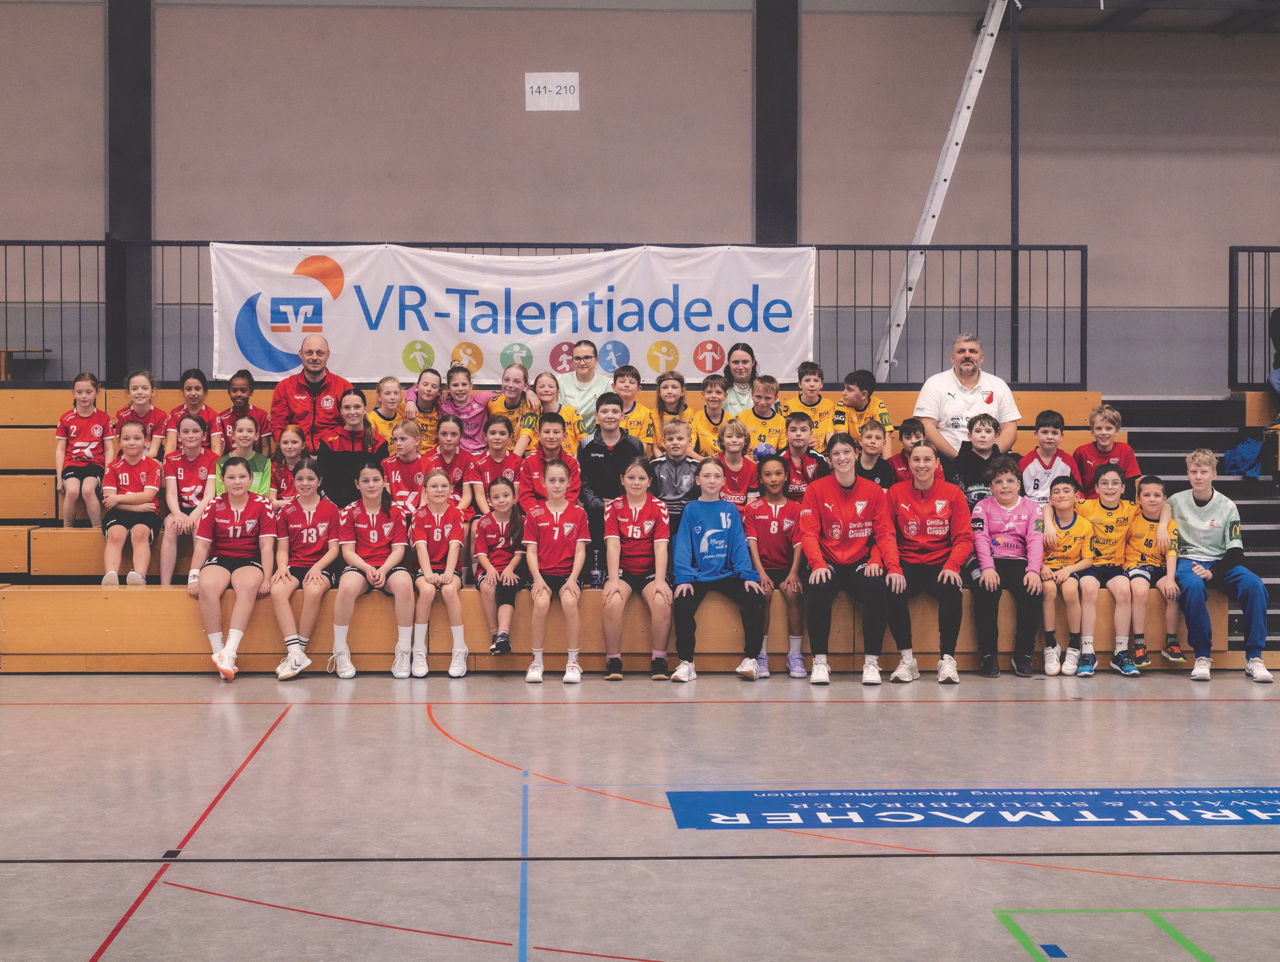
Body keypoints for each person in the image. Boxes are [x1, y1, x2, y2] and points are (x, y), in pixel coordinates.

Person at [798, 432, 900, 686]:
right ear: (830, 460)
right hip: (827, 559)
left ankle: (871, 663)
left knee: (877, 588)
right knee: (818, 587)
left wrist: (882, 562)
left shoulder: (874, 491)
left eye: (846, 452)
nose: (842, 457)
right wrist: (818, 564)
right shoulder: (816, 489)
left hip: (859, 560)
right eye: (835, 454)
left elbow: (884, 533)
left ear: (855, 454)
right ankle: (820, 661)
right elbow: (808, 533)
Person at [1169, 449, 1272, 683]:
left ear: (1214, 474)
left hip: (1220, 561)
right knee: (1193, 586)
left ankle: (1254, 658)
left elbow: (1236, 553)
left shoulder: (1227, 506)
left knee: (1254, 584)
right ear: (1187, 474)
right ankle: (1202, 656)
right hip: (1188, 560)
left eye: (1204, 471)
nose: (1198, 477)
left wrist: (1213, 572)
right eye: (1194, 472)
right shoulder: (1175, 502)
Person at [671, 459, 767, 682]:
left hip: (727, 574)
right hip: (698, 575)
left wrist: (746, 575)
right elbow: (684, 545)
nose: (712, 480)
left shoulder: (730, 509)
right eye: (706, 476)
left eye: (716, 476)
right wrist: (684, 577)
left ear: (724, 481)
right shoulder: (691, 510)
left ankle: (751, 659)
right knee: (682, 602)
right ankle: (687, 662)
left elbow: (738, 543)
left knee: (755, 597)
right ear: (697, 480)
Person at [884, 441, 973, 684]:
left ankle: (947, 660)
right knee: (891, 589)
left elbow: (964, 537)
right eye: (916, 460)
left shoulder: (953, 493)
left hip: (942, 561)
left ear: (936, 463)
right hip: (908, 561)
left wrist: (953, 565)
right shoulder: (895, 493)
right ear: (909, 464)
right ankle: (907, 661)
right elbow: (887, 535)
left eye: (926, 460)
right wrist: (893, 568)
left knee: (952, 590)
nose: (921, 465)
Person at [188, 457, 276, 681]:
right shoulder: (214, 505)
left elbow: (266, 545)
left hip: (249, 558)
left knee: (248, 587)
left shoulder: (262, 504)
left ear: (251, 479)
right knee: (206, 586)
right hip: (221, 558)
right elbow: (203, 546)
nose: (237, 482)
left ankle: (230, 652)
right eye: (231, 477)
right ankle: (219, 652)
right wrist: (193, 576)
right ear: (222, 480)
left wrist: (267, 578)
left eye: (242, 477)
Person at [330, 460, 415, 680]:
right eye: (365, 481)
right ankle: (340, 650)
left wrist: (384, 569)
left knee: (405, 584)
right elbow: (347, 552)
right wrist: (367, 568)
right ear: (357, 484)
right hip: (360, 564)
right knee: (346, 588)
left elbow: (398, 550)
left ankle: (404, 651)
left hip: (389, 564)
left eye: (376, 480)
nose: (371, 485)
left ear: (385, 482)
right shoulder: (349, 511)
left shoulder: (396, 511)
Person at [971, 455, 1043, 678]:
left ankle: (1022, 655)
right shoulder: (981, 507)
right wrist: (988, 568)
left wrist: (1033, 570)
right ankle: (988, 655)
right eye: (999, 481)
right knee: (985, 590)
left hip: (1018, 560)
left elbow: (1035, 539)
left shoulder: (1033, 508)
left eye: (1010, 481)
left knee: (1033, 592)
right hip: (987, 560)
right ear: (991, 486)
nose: (1005, 486)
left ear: (1019, 485)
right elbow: (980, 538)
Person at [269, 457, 341, 680]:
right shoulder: (287, 511)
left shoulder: (331, 509)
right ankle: (295, 653)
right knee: (277, 590)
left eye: (310, 479)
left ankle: (297, 653)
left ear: (319, 481)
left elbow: (333, 549)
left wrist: (318, 567)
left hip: (321, 565)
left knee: (313, 590)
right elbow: (282, 548)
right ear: (294, 481)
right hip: (295, 564)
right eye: (300, 479)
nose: (305, 483)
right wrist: (282, 567)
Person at [601, 458, 673, 681]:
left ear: (649, 481)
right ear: (622, 480)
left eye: (642, 478)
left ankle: (659, 659)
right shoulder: (613, 506)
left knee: (662, 601)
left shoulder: (659, 507)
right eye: (631, 477)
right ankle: (613, 659)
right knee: (612, 601)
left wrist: (660, 580)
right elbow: (613, 544)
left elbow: (660, 546)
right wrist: (613, 580)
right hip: (622, 569)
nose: (636, 482)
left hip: (650, 570)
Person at [522, 460, 590, 684]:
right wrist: (538, 579)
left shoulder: (579, 514)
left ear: (570, 483)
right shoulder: (534, 513)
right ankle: (536, 661)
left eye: (562, 480)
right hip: (542, 574)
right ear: (543, 483)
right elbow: (531, 552)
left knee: (570, 602)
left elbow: (580, 551)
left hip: (567, 575)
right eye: (552, 480)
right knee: (540, 603)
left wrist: (572, 579)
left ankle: (573, 661)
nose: (557, 485)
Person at [913, 333, 1020, 461]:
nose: (967, 355)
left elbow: (1010, 429)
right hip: (948, 460)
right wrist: (957, 459)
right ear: (953, 358)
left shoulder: (998, 385)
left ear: (981, 358)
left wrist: (991, 458)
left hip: (992, 462)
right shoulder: (934, 384)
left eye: (973, 351)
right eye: (961, 351)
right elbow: (927, 425)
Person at [1074, 464, 1138, 677]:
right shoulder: (1085, 506)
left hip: (1115, 567)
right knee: (1088, 588)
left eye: (1115, 484)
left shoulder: (1130, 508)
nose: (1109, 488)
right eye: (1104, 484)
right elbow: (1051, 506)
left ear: (1122, 488)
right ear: (1096, 488)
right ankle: (1087, 651)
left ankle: (1121, 652)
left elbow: (1164, 506)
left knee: (1124, 591)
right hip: (1090, 565)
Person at [744, 455, 805, 678]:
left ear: (786, 476)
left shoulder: (796, 509)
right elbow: (752, 543)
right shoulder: (753, 509)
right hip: (762, 567)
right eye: (768, 474)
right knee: (764, 594)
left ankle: (795, 656)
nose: (773, 479)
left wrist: (794, 573)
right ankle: (761, 656)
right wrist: (760, 573)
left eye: (778, 473)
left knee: (793, 592)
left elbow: (799, 544)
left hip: (787, 567)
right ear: (760, 478)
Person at [412, 469, 468, 678]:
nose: (439, 490)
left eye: (444, 486)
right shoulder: (419, 515)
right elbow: (421, 548)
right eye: (433, 486)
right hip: (426, 567)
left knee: (449, 592)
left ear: (451, 490)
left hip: (449, 568)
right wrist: (428, 574)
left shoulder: (455, 513)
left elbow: (454, 547)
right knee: (426, 591)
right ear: (425, 491)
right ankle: (418, 651)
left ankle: (459, 649)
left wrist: (448, 573)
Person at [1038, 475, 1094, 677]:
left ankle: (1073, 646)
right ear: (1050, 499)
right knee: (1048, 590)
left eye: (1066, 491)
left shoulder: (1086, 525)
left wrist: (1069, 570)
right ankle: (1050, 645)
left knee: (1070, 590)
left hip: (1069, 568)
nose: (1061, 494)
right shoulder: (1042, 522)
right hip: (1046, 568)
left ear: (1077, 497)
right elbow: (1032, 548)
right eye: (1056, 492)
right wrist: (1041, 565)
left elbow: (1088, 559)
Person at [1124, 475, 1182, 671]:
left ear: (1164, 498)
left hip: (1160, 567)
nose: (1152, 499)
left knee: (1172, 593)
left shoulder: (1169, 525)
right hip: (1136, 565)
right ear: (1139, 499)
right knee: (1139, 590)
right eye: (1146, 495)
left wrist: (1171, 579)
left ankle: (1170, 642)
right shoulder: (1133, 517)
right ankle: (1139, 644)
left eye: (1157, 495)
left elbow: (1171, 553)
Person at [100, 421, 164, 587]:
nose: (132, 442)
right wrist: (136, 506)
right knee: (115, 534)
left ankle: (140, 577)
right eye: (126, 438)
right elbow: (109, 499)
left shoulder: (152, 465)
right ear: (119, 441)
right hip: (120, 512)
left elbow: (148, 496)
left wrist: (119, 498)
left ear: (145, 441)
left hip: (147, 512)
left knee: (140, 533)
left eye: (137, 438)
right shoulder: (113, 466)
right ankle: (111, 576)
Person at [160, 413, 218, 585]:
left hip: (202, 509)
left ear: (204, 435)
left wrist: (194, 516)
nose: (190, 435)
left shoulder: (213, 458)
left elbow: (209, 495)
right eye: (185, 431)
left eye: (195, 431)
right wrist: (177, 514)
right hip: (179, 509)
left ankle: (196, 580)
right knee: (171, 525)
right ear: (178, 436)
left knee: (199, 525)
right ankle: (164, 585)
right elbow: (170, 494)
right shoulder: (171, 459)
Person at [268, 334, 354, 448]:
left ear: (327, 355)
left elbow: (352, 424)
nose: (314, 357)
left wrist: (333, 448)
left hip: (333, 452)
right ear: (301, 354)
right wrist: (291, 448)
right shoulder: (284, 387)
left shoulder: (343, 387)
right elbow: (278, 426)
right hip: (296, 453)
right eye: (309, 352)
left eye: (320, 353)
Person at [473, 477, 524, 657]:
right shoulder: (484, 522)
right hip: (489, 567)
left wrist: (509, 569)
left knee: (507, 583)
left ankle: (504, 634)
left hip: (512, 567)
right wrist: (490, 569)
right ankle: (495, 635)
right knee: (487, 586)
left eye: (505, 495)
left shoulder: (520, 521)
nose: (501, 500)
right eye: (496, 497)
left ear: (514, 497)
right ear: (489, 500)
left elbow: (520, 553)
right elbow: (481, 554)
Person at [55, 371, 113, 527]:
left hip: (95, 465)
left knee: (88, 490)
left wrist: (108, 476)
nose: (84, 396)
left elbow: (109, 450)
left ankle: (97, 528)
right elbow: (60, 449)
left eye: (89, 392)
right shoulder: (66, 418)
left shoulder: (103, 418)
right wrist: (60, 478)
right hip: (72, 464)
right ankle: (67, 529)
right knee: (72, 491)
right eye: (79, 392)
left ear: (97, 393)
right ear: (73, 393)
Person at [315, 389, 389, 510]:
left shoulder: (379, 443)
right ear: (341, 411)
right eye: (347, 407)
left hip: (368, 509)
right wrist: (333, 508)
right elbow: (321, 480)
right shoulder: (328, 442)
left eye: (357, 407)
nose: (352, 412)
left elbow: (381, 482)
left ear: (365, 409)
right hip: (335, 510)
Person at [441, 364, 519, 454]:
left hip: (484, 452)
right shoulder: (443, 403)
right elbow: (427, 393)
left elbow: (509, 392)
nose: (460, 389)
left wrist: (529, 391)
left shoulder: (481, 399)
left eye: (464, 384)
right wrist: (441, 390)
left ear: (471, 385)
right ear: (448, 387)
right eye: (455, 385)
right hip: (459, 454)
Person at [1073, 404, 1141, 500]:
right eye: (1099, 428)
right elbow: (1075, 485)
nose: (1104, 432)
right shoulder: (1081, 452)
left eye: (1109, 428)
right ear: (1092, 431)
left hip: (1117, 504)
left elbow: (1131, 484)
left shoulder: (1125, 450)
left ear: (1116, 431)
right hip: (1089, 505)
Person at [517, 412, 582, 512]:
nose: (551, 436)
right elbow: (526, 496)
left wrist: (558, 514)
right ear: (538, 435)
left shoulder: (572, 463)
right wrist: (539, 516)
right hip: (536, 515)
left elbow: (572, 495)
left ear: (565, 436)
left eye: (556, 432)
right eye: (546, 432)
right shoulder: (528, 462)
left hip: (563, 513)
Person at [516, 371, 586, 457]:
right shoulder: (533, 416)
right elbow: (529, 451)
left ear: (557, 391)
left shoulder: (572, 412)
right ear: (535, 391)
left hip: (573, 463)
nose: (546, 389)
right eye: (541, 387)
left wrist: (574, 460)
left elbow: (585, 442)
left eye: (551, 387)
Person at [1018, 409, 1079, 507]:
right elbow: (1018, 493)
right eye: (1044, 432)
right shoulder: (1025, 463)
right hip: (1031, 510)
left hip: (1060, 509)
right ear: (1036, 434)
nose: (1049, 437)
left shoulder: (1068, 461)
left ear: (1061, 436)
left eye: (1054, 433)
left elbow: (1078, 491)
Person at [651, 419, 699, 539]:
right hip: (661, 517)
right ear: (664, 443)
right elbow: (650, 498)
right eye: (670, 439)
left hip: (688, 517)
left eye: (680, 439)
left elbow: (699, 498)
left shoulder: (696, 467)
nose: (675, 443)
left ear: (689, 442)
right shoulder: (655, 465)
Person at [781, 361, 845, 451]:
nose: (812, 384)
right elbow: (785, 436)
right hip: (798, 451)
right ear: (799, 384)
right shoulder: (789, 406)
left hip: (823, 454)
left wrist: (831, 454)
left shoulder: (829, 405)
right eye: (807, 380)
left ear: (821, 384)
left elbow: (829, 434)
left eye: (816, 380)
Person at [424, 415, 477, 521]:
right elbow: (425, 494)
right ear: (437, 435)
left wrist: (453, 514)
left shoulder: (468, 459)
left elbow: (467, 495)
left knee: (464, 527)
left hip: (459, 505)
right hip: (434, 504)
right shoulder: (427, 458)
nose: (448, 439)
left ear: (460, 436)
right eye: (444, 434)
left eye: (454, 434)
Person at [557, 339, 614, 435]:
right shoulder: (560, 381)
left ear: (596, 360)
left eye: (587, 357)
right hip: (565, 438)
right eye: (577, 358)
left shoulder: (607, 384)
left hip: (595, 440)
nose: (582, 363)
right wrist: (530, 392)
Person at [469, 415, 522, 516]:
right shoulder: (476, 462)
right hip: (485, 512)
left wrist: (503, 516)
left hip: (510, 512)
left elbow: (515, 496)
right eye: (492, 433)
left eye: (502, 433)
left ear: (510, 437)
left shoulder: (517, 462)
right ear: (485, 436)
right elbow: (479, 496)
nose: (497, 437)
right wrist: (491, 518)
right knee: (476, 527)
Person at [948, 413, 1004, 508]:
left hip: (998, 513)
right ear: (969, 435)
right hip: (968, 513)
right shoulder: (958, 463)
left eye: (988, 431)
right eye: (978, 431)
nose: (983, 435)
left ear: (996, 436)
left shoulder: (1004, 464)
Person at [213, 369, 271, 457]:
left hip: (255, 465)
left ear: (250, 392)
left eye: (243, 390)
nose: (238, 394)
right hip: (230, 466)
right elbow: (219, 450)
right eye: (234, 390)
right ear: (229, 392)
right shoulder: (221, 418)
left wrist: (261, 468)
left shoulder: (261, 415)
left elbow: (266, 448)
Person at [111, 369, 166, 461]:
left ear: (153, 391)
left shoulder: (160, 415)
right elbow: (124, 446)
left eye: (145, 388)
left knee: (157, 464)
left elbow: (154, 451)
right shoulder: (121, 415)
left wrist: (139, 463)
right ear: (129, 392)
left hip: (151, 457)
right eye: (134, 388)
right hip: (128, 456)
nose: (139, 392)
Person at [162, 368, 218, 456]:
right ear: (183, 391)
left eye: (197, 388)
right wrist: (167, 467)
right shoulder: (174, 414)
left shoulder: (213, 416)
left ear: (204, 391)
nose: (193, 393)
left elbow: (216, 449)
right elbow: (171, 447)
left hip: (204, 462)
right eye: (188, 389)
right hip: (180, 461)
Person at [214, 415, 272, 496]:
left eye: (250, 431)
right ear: (233, 435)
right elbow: (221, 494)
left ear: (256, 436)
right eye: (240, 431)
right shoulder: (221, 463)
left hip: (257, 507)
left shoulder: (264, 462)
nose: (245, 435)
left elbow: (264, 495)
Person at [841, 369, 895, 457]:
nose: (843, 393)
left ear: (864, 395)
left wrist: (887, 466)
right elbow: (841, 435)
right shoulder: (841, 404)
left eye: (849, 389)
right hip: (852, 456)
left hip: (874, 455)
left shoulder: (878, 405)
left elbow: (887, 435)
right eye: (844, 388)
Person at [780, 411, 831, 501]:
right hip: (785, 509)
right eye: (793, 430)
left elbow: (824, 494)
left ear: (811, 434)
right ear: (786, 435)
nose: (798, 434)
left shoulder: (819, 460)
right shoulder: (778, 459)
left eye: (803, 430)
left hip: (812, 508)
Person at [381, 420, 429, 515]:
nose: (398, 443)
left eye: (403, 439)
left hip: (420, 513)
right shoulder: (386, 463)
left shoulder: (428, 464)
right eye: (395, 439)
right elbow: (387, 496)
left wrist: (417, 517)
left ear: (417, 441)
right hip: (395, 513)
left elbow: (426, 497)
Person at [486, 363, 538, 449]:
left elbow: (525, 438)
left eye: (516, 381)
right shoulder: (492, 403)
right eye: (506, 380)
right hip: (501, 452)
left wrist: (512, 461)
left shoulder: (532, 404)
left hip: (525, 452)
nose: (510, 385)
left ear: (525, 385)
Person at [737, 374, 786, 459]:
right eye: (758, 397)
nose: (762, 402)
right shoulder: (741, 418)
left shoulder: (781, 421)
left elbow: (783, 451)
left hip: (771, 465)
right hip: (746, 462)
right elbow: (737, 447)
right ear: (752, 395)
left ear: (775, 398)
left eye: (768, 398)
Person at [717, 419, 758, 514]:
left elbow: (752, 501)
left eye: (739, 436)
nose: (734, 440)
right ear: (722, 440)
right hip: (719, 513)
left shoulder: (752, 467)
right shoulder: (714, 465)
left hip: (742, 516)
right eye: (729, 436)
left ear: (745, 440)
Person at [396, 368, 442, 454]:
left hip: (432, 458)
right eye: (425, 384)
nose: (429, 389)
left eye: (434, 386)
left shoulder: (441, 410)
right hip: (408, 456)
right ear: (416, 387)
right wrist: (410, 402)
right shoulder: (403, 406)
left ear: (439, 392)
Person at [612, 364, 655, 456]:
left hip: (635, 459)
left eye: (632, 382)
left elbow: (643, 445)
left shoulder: (646, 413)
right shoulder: (606, 410)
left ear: (639, 388)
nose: (627, 385)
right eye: (622, 381)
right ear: (614, 387)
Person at [650, 371, 694, 455]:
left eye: (674, 387)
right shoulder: (653, 414)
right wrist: (662, 462)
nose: (669, 391)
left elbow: (689, 445)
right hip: (661, 458)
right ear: (659, 392)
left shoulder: (689, 413)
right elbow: (655, 448)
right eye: (665, 387)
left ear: (682, 392)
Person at [269, 424, 308, 511]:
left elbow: (308, 502)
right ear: (280, 445)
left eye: (294, 442)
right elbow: (272, 502)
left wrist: (281, 503)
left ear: (303, 445)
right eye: (285, 443)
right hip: (281, 514)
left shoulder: (310, 468)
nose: (289, 447)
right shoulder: (275, 468)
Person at [690, 374, 729, 458]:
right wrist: (702, 460)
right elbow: (687, 449)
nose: (713, 396)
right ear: (703, 395)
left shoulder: (730, 421)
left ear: (725, 396)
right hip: (702, 463)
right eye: (709, 392)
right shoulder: (696, 419)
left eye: (718, 392)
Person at [854, 420, 897, 490]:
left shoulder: (886, 468)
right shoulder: (852, 464)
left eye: (878, 438)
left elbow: (885, 496)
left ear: (884, 443)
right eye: (868, 437)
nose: (873, 441)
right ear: (860, 441)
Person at [722, 342, 759, 416]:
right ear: (729, 363)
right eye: (735, 362)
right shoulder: (719, 390)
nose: (740, 367)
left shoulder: (766, 389)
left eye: (745, 362)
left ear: (753, 362)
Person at [368, 376, 403, 446]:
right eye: (387, 393)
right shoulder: (370, 420)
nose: (392, 397)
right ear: (379, 397)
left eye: (396, 393)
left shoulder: (402, 413)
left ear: (400, 396)